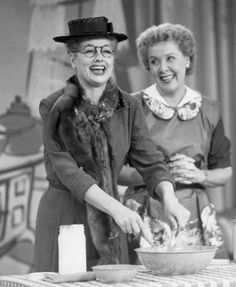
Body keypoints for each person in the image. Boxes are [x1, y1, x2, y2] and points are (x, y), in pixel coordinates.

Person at [34, 17, 190, 272]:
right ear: (73, 59)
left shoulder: (128, 106)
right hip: (66, 218)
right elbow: (69, 172)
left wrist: (169, 197)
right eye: (89, 51)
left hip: (112, 221)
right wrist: (117, 208)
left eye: (106, 51)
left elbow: (150, 161)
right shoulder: (54, 107)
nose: (100, 59)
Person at [119, 23, 232, 260]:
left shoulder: (209, 109)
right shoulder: (132, 106)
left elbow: (224, 171)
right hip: (144, 213)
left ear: (188, 60)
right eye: (154, 61)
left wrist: (200, 176)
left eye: (170, 58)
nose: (163, 68)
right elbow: (115, 170)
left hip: (195, 213)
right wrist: (158, 175)